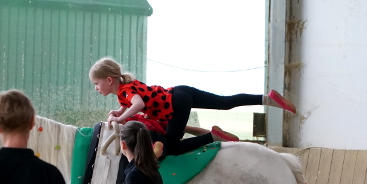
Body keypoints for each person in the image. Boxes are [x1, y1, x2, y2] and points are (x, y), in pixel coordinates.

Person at [89, 57, 296, 158]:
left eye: (97, 84)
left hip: (176, 104)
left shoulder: (125, 91)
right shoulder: (125, 91)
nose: (96, 88)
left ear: (109, 80)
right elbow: (134, 102)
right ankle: (267, 99)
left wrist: (119, 118)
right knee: (225, 102)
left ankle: (213, 136)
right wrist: (119, 112)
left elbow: (139, 104)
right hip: (180, 92)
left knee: (172, 147)